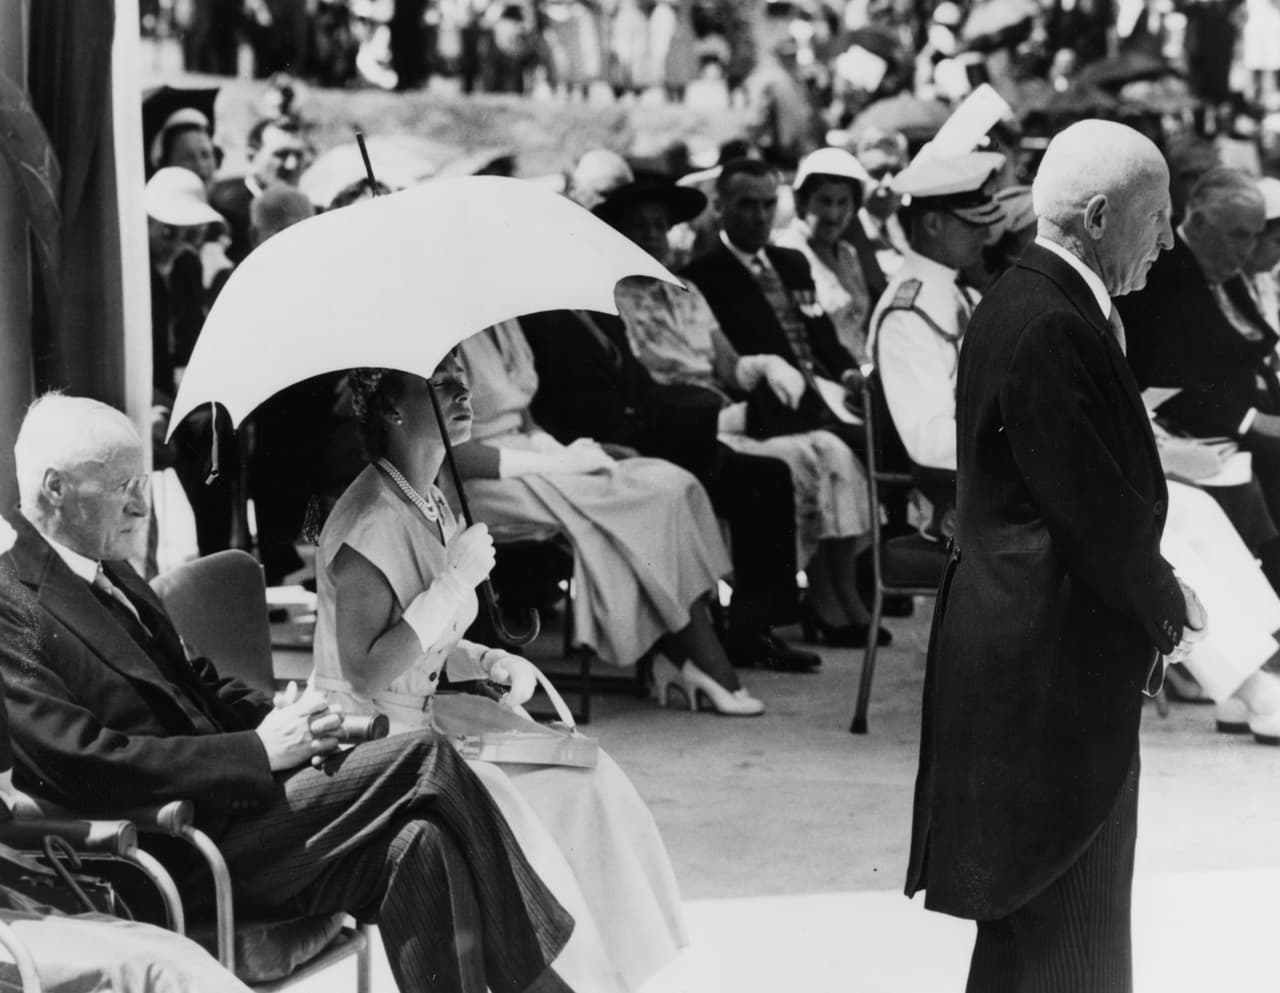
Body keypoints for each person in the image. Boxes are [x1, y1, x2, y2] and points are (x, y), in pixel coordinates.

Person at [0, 394, 577, 993]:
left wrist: (289, 717)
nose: (142, 505)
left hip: (235, 816)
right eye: (122, 487)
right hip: (164, 846)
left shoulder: (109, 567)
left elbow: (198, 680)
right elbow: (82, 761)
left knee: (419, 843)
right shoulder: (11, 602)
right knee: (426, 756)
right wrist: (257, 751)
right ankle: (539, 982)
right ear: (54, 489)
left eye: (142, 482)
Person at [905, 120, 1206, 992]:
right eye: (1158, 218)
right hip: (1046, 666)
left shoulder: (1028, 299)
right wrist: (1169, 603)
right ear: (1105, 214)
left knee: (1031, 933)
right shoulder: (1051, 321)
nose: (1167, 240)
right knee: (1071, 925)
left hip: (1031, 652)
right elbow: (1091, 513)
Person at [310, 357, 688, 992]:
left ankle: (611, 978)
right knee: (525, 815)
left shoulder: (430, 498)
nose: (466, 395)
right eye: (443, 386)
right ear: (395, 411)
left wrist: (483, 659)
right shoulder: (370, 518)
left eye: (464, 381)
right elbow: (368, 669)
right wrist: (452, 586)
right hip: (372, 740)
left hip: (427, 716)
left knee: (584, 779)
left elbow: (428, 645)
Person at [591, 174, 888, 649]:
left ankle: (839, 590)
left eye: (660, 226)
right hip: (680, 418)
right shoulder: (608, 296)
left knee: (834, 451)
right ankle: (775, 614)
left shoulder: (684, 287)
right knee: (789, 464)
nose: (652, 235)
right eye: (639, 226)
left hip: (725, 405)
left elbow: (728, 364)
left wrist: (764, 367)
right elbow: (635, 378)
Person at [453, 322, 766, 716]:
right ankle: (698, 654)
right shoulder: (448, 331)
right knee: (647, 501)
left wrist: (555, 449)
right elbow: (455, 454)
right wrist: (551, 463)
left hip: (529, 456)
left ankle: (673, 646)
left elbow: (523, 412)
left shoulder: (505, 319)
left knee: (673, 481)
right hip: (483, 482)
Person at [1117, 170, 1280, 548]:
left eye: (1255, 237)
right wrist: (1254, 421)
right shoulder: (1161, 275)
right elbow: (1165, 381)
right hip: (1209, 433)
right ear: (1201, 222)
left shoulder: (1221, 263)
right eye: (1239, 235)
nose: (1247, 249)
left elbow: (1253, 341)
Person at [867, 148, 1005, 535]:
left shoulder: (957, 291)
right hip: (950, 504)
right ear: (932, 223)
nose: (985, 234)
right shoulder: (906, 314)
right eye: (971, 224)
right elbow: (930, 442)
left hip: (984, 483)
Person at [144, 167, 240, 561]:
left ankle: (216, 558)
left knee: (213, 427)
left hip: (171, 396)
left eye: (189, 234)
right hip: (139, 396)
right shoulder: (129, 269)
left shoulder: (185, 267)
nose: (177, 243)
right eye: (168, 232)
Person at [773, 148, 875, 361]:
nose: (833, 215)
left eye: (843, 202)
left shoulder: (847, 254)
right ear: (802, 202)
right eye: (824, 201)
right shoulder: (787, 252)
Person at [209, 118, 308, 264]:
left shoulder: (308, 211)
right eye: (281, 154)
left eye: (298, 155)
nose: (291, 165)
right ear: (251, 157)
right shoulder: (222, 207)